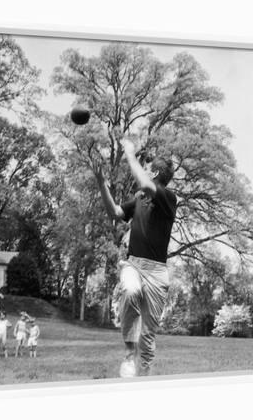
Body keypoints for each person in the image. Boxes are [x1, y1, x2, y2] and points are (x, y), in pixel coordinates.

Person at [94, 137, 177, 378]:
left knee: (148, 338)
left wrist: (130, 154)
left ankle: (142, 385)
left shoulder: (168, 198)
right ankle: (129, 353)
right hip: (134, 264)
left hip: (157, 273)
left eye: (148, 168)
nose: (145, 170)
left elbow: (147, 184)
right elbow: (116, 212)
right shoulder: (140, 198)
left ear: (156, 172)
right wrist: (102, 185)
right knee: (129, 291)